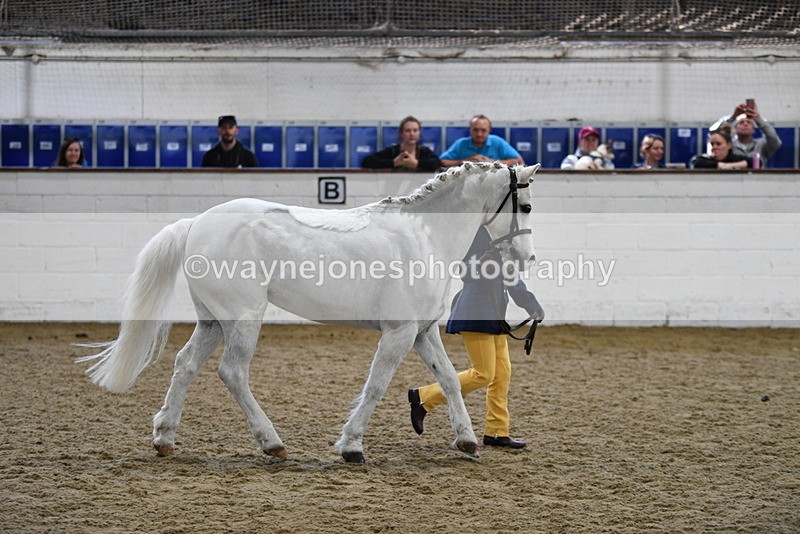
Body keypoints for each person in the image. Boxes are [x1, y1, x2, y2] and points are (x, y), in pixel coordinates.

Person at [407, 226, 545, 449]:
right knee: (483, 374)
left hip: (495, 316)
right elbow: (466, 274)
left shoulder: (502, 239)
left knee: (501, 375)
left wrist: (531, 305)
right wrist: (481, 263)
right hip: (476, 313)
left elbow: (511, 277)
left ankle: (497, 432)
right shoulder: (474, 233)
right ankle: (423, 398)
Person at [713, 99, 782, 166]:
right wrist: (733, 117)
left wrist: (758, 120)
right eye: (741, 122)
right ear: (735, 129)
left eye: (749, 122)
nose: (745, 124)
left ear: (754, 129)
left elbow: (774, 139)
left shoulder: (762, 145)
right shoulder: (729, 146)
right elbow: (716, 136)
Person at [439, 114, 524, 167]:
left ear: (489, 131)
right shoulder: (461, 144)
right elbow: (441, 162)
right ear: (470, 130)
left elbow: (520, 162)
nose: (479, 134)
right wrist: (465, 161)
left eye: (483, 130)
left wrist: (491, 162)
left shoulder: (497, 142)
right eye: (475, 130)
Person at [361, 116, 441, 171]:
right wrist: (393, 163)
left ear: (419, 133)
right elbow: (366, 161)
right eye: (408, 131)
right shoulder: (392, 151)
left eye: (415, 130)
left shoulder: (424, 152)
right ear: (401, 133)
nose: (412, 134)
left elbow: (437, 163)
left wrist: (417, 163)